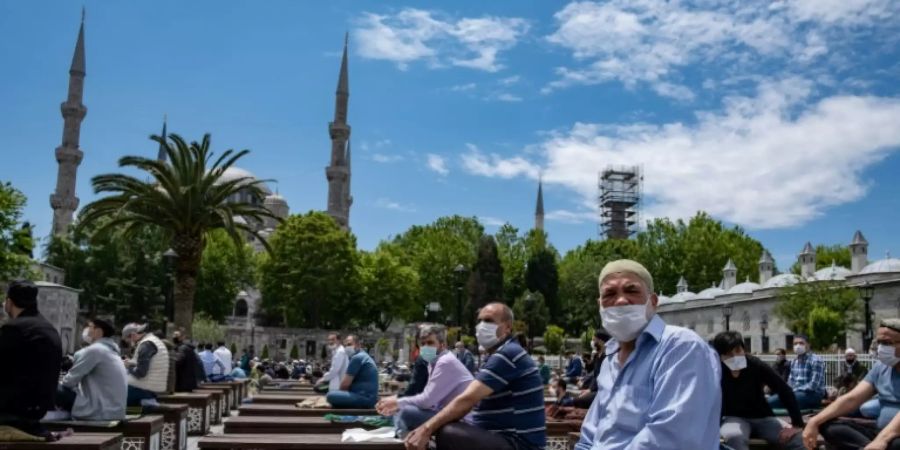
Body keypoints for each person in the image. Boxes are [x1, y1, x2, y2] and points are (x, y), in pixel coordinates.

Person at [575, 260, 721, 450]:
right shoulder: (610, 360)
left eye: (631, 291)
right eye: (610, 294)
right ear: (600, 305)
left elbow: (670, 438)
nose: (620, 301)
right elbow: (590, 436)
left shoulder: (680, 347)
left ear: (653, 302)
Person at [403, 302, 545, 450]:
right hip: (500, 437)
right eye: (480, 321)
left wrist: (426, 429)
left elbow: (467, 400)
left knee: (447, 432)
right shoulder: (500, 354)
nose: (482, 326)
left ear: (507, 327)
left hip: (518, 444)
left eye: (489, 321)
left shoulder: (508, 354)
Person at [803, 318, 900, 450]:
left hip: (894, 435)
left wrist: (882, 440)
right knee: (828, 426)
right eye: (879, 343)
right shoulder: (881, 367)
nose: (881, 348)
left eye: (887, 343)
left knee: (895, 445)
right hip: (880, 430)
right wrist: (814, 421)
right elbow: (851, 399)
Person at [713, 331, 805, 450]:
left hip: (763, 417)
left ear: (743, 349)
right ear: (720, 356)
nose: (736, 357)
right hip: (733, 418)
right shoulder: (716, 371)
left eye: (738, 351)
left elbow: (784, 389)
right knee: (733, 437)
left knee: (796, 438)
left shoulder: (755, 364)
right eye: (729, 355)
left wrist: (797, 424)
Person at [377, 324, 473, 437]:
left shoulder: (445, 362)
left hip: (461, 421)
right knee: (402, 410)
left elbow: (427, 400)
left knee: (405, 411)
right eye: (422, 344)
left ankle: (400, 440)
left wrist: (396, 402)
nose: (426, 347)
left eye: (430, 343)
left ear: (442, 345)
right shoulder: (433, 363)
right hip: (448, 415)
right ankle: (402, 437)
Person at [0, 280, 62, 437]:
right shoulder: (48, 328)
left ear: (9, 302)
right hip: (37, 411)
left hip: (14, 410)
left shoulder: (14, 328)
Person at [57, 318, 128, 420]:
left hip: (98, 411)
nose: (86, 330)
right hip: (114, 412)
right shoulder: (112, 351)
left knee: (46, 386)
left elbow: (69, 382)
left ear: (98, 331)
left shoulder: (95, 350)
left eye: (90, 327)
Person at [768, 335, 825, 411]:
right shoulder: (794, 362)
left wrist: (795, 390)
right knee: (771, 400)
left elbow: (813, 385)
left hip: (813, 394)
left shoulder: (815, 360)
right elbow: (790, 382)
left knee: (775, 402)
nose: (798, 346)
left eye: (801, 343)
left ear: (808, 345)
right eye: (795, 344)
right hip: (796, 394)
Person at [122, 323, 170, 406]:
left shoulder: (145, 345)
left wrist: (128, 366)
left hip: (143, 387)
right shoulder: (153, 340)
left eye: (127, 340)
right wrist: (131, 362)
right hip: (153, 386)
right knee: (128, 408)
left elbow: (141, 373)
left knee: (118, 401)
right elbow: (149, 364)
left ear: (133, 335)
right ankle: (146, 403)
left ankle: (147, 405)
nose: (129, 343)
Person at [326, 335, 379, 409]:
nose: (347, 347)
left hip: (364, 398)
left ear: (358, 345)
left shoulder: (357, 358)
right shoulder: (364, 356)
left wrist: (340, 396)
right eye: (345, 345)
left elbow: (344, 385)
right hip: (369, 397)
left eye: (349, 344)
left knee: (330, 395)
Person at [573, 330, 610, 409]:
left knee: (577, 400)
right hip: (594, 390)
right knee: (579, 397)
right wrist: (589, 389)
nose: (592, 342)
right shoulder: (597, 356)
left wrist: (590, 391)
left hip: (602, 392)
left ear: (600, 341)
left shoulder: (608, 357)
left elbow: (603, 378)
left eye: (594, 340)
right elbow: (595, 375)